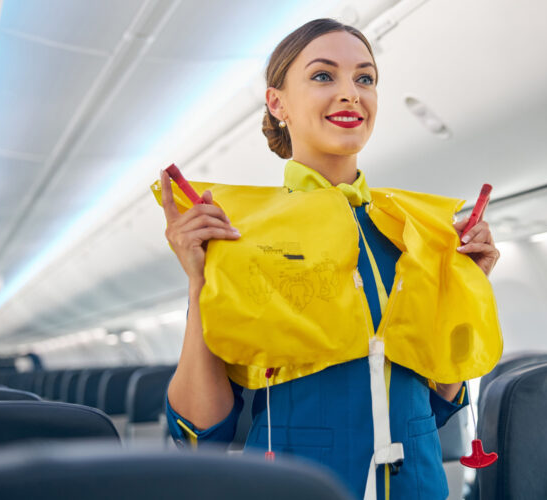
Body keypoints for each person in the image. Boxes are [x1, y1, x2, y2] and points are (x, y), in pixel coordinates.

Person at [157, 18, 501, 500]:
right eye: (323, 76)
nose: (350, 94)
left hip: (418, 486)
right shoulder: (242, 234)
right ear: (277, 104)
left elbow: (434, 404)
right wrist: (199, 282)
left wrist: (464, 288)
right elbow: (200, 432)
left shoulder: (414, 230)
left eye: (365, 79)